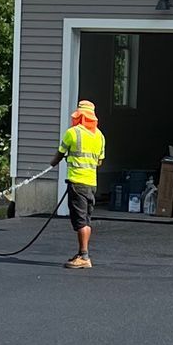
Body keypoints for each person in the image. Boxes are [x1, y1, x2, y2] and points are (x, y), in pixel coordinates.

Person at [55, 97, 105, 270]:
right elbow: (99, 161)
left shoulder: (73, 133)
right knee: (86, 220)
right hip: (91, 184)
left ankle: (84, 256)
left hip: (77, 183)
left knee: (80, 221)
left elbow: (60, 153)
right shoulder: (100, 136)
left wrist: (53, 163)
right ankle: (82, 253)